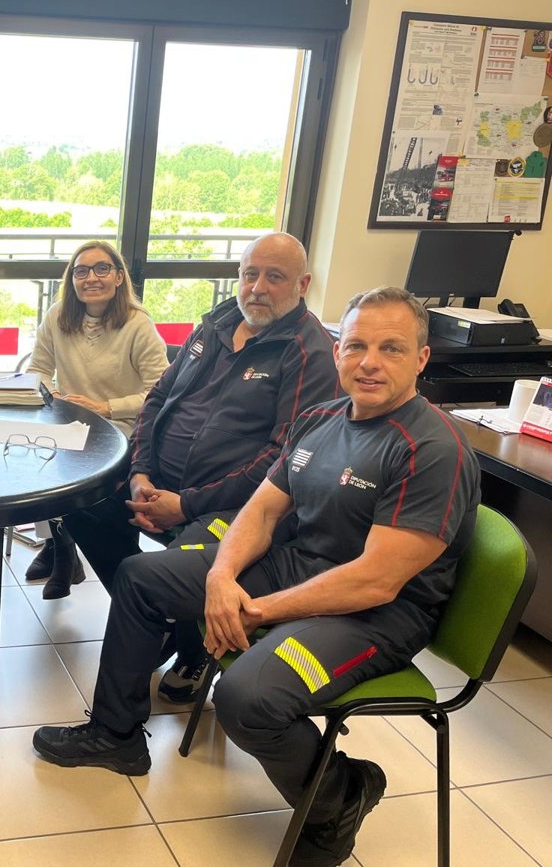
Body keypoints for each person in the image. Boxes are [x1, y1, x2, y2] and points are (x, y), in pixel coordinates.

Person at [33, 286, 479, 866]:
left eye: (390, 348)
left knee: (246, 698)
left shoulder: (432, 448)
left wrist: (255, 610)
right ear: (338, 352)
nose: (369, 362)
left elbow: (375, 581)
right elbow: (263, 511)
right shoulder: (321, 419)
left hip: (375, 615)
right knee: (142, 577)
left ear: (421, 358)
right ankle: (115, 737)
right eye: (356, 346)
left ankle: (338, 799)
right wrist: (222, 576)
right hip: (297, 568)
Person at [62, 232, 341, 702]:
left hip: (235, 508)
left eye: (275, 277)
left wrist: (185, 505)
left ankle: (192, 650)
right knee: (82, 504)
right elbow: (157, 399)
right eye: (250, 274)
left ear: (303, 284)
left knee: (170, 569)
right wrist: (140, 474)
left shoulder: (309, 352)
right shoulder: (215, 324)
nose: (258, 288)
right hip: (161, 483)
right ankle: (164, 623)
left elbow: (283, 458)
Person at [25, 240, 168, 599]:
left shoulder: (137, 324)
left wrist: (105, 407)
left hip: (120, 431)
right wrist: (52, 396)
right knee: (34, 458)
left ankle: (69, 552)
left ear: (119, 277)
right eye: (81, 271)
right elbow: (38, 368)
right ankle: (62, 551)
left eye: (102, 268)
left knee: (79, 488)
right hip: (70, 425)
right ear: (71, 279)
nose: (91, 277)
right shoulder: (58, 316)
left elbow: (161, 392)